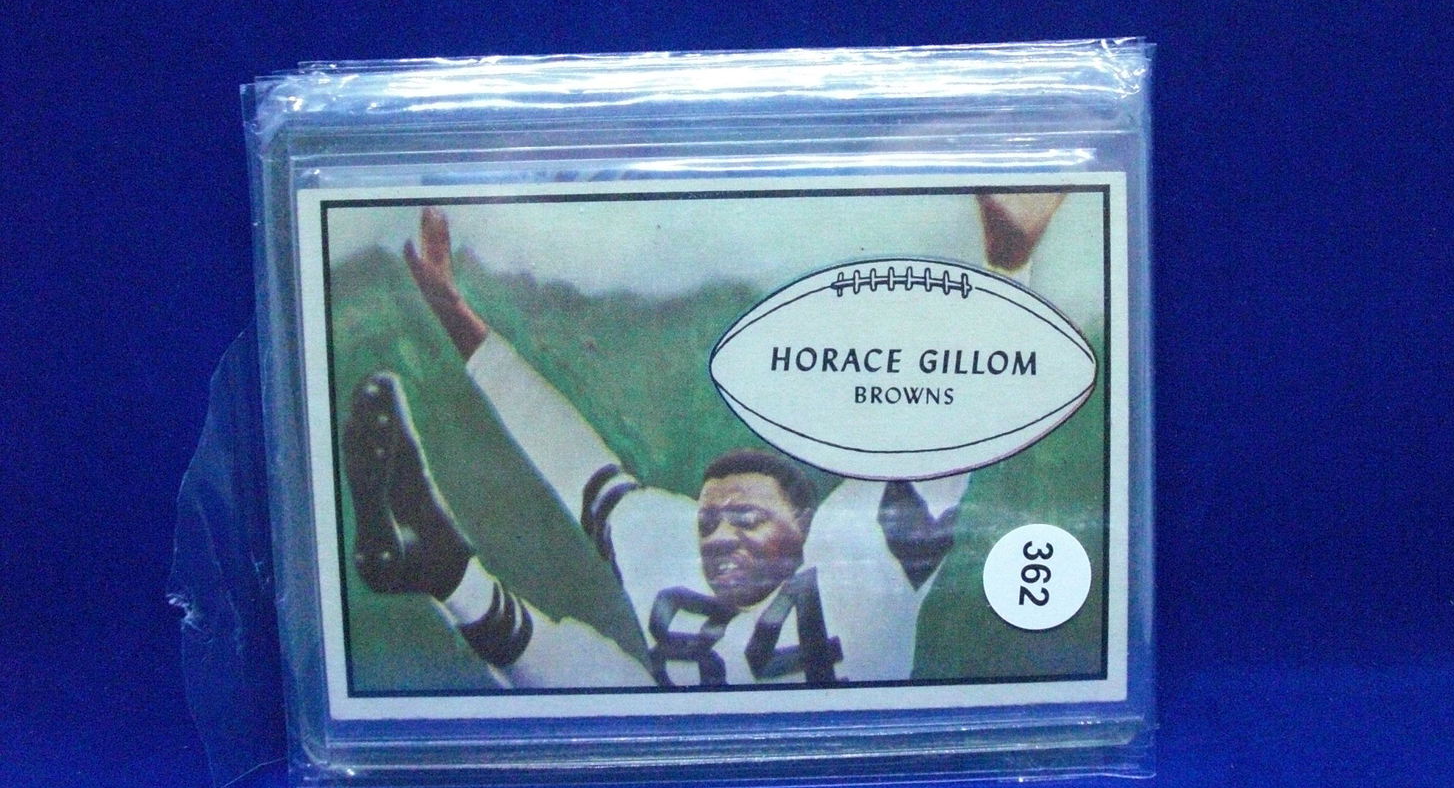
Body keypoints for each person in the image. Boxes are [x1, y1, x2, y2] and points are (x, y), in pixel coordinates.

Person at [347, 193, 1068, 688]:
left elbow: (955, 426)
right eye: (710, 520)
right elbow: (565, 452)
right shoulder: (666, 551)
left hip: (846, 771)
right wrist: (454, 313)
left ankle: (444, 569)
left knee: (607, 688)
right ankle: (447, 572)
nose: (720, 537)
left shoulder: (862, 553)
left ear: (805, 528)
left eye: (747, 518)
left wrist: (1008, 268)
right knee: (599, 684)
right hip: (688, 752)